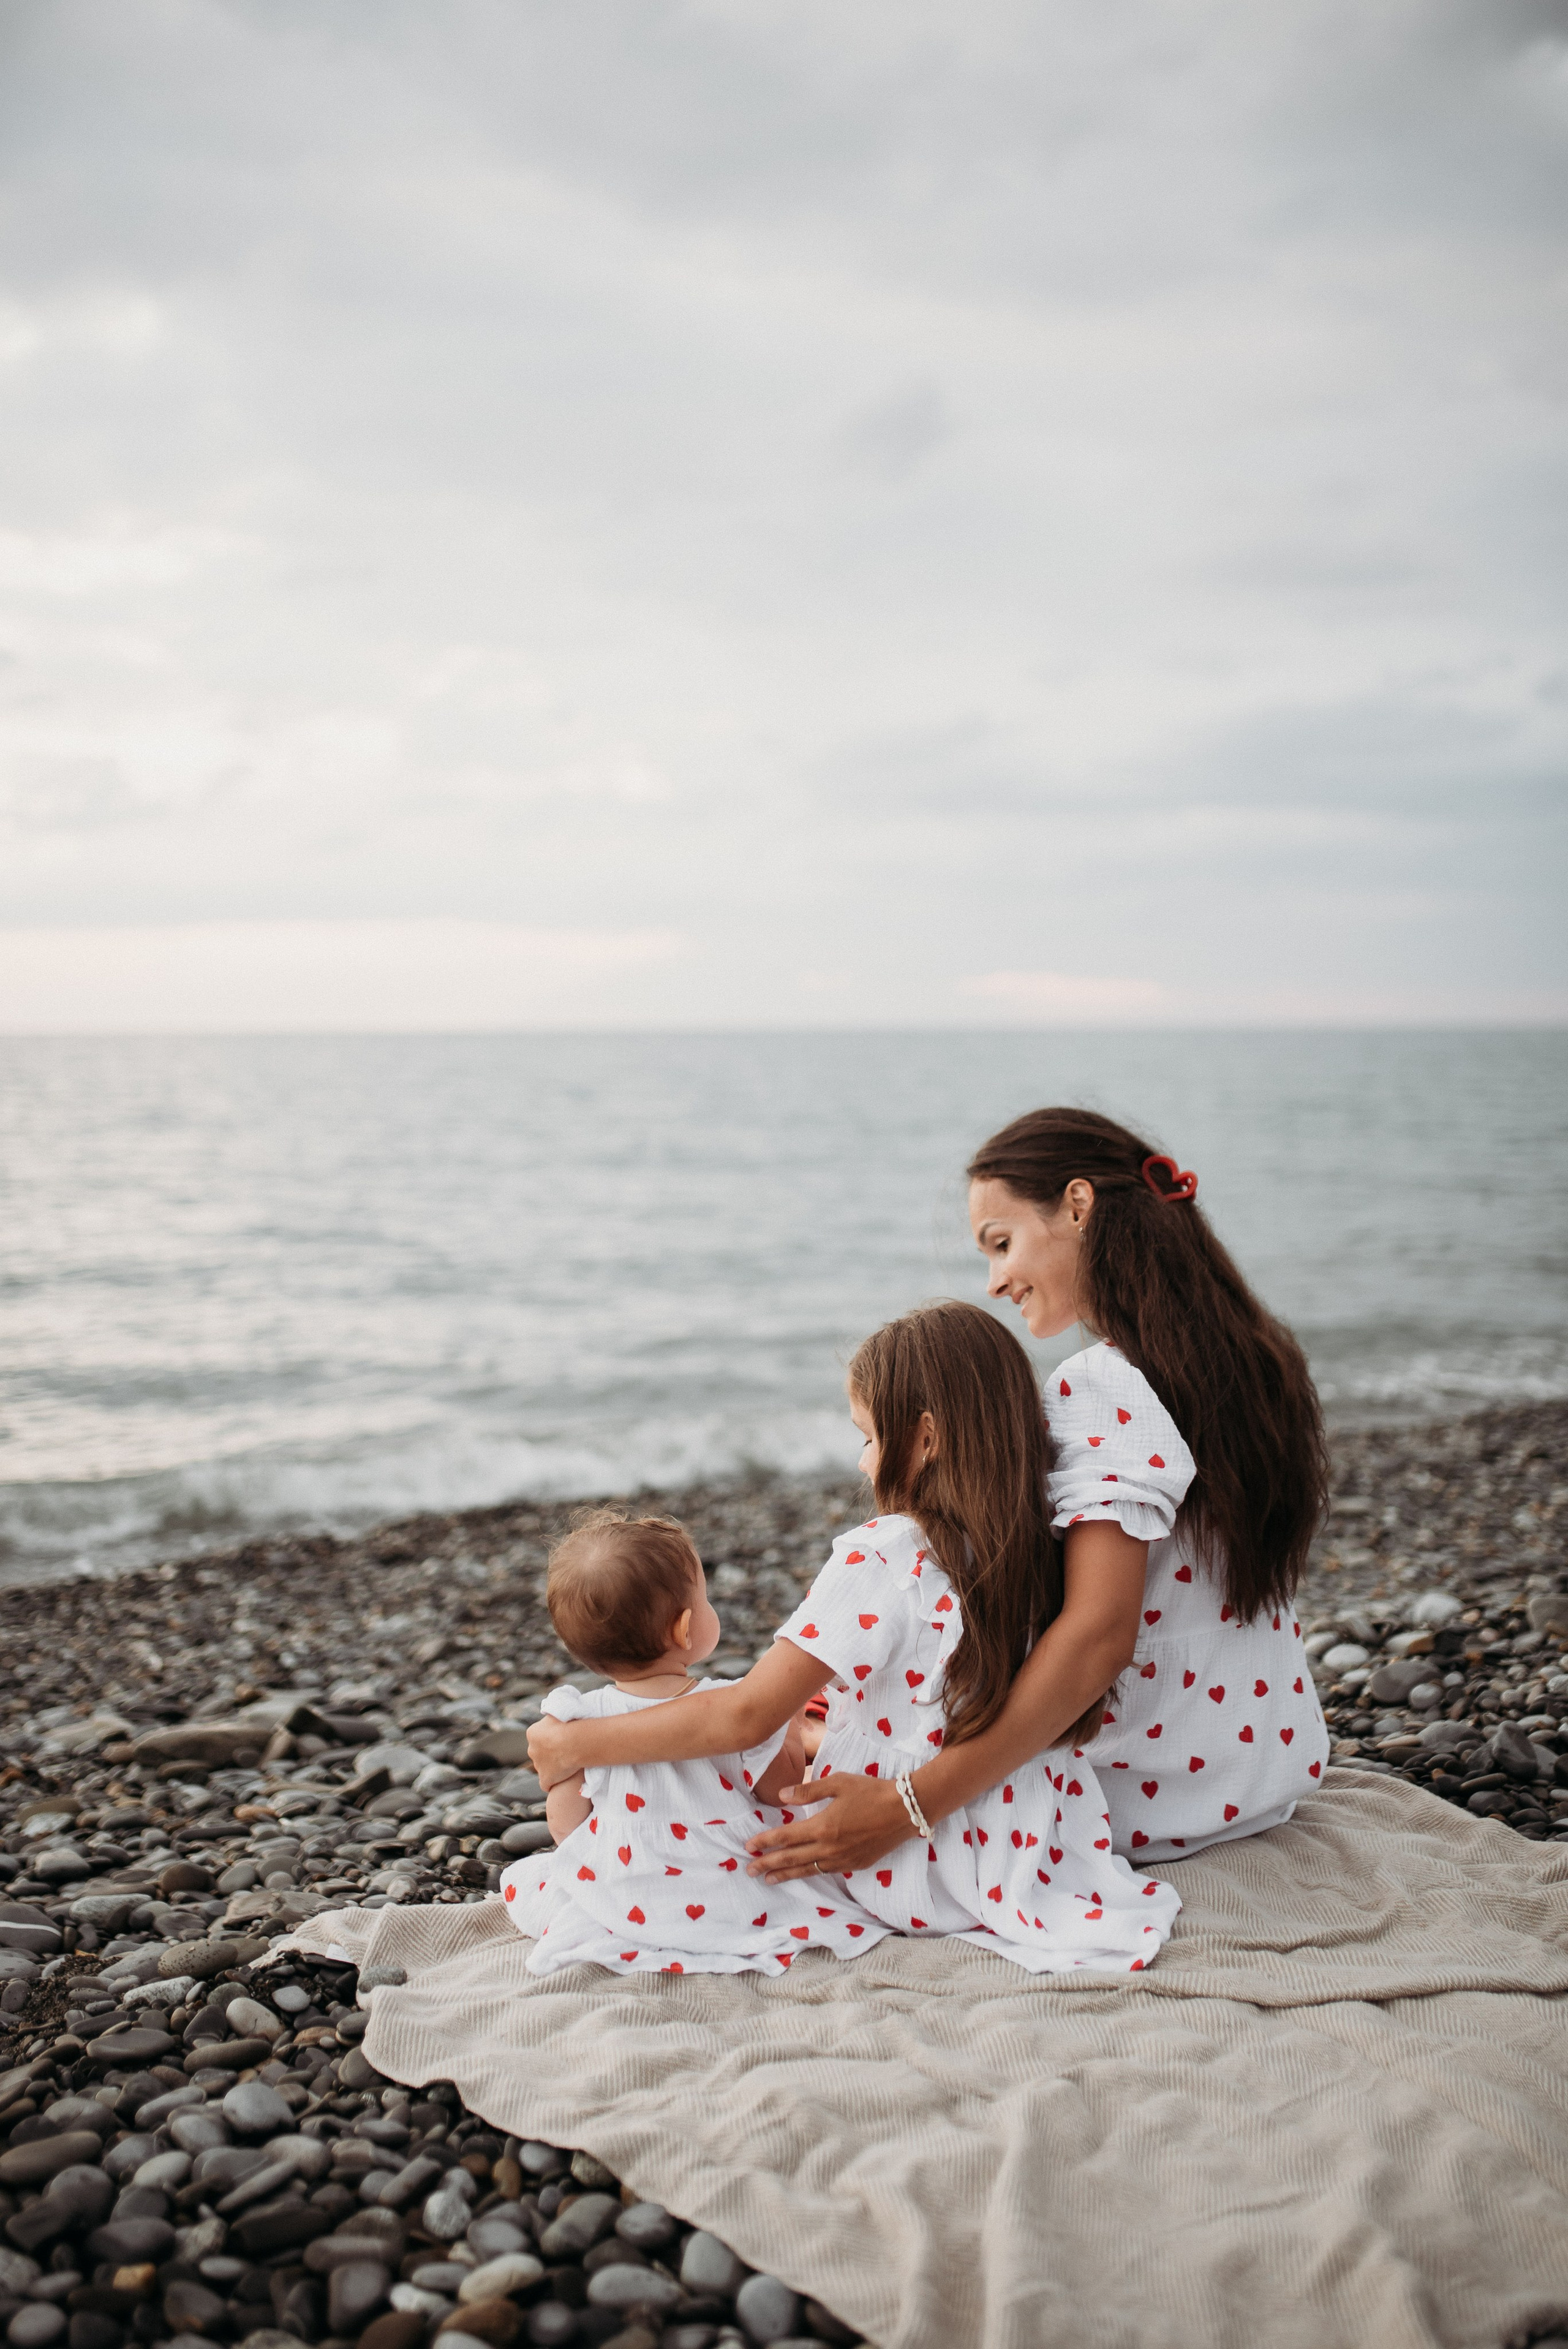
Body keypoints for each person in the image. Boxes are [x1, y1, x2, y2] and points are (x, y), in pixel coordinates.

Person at [747, 1107, 1331, 1886]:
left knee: (779, 1748)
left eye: (1001, 1242)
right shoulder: (1254, 1359)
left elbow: (1098, 1637)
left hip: (1140, 1797)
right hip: (1259, 1768)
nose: (994, 1281)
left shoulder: (1101, 1385)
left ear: (1078, 1206)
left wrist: (909, 1805)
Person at [528, 1305, 1183, 1977]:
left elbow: (745, 1715)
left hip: (909, 1860)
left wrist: (574, 1744)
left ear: (924, 1438)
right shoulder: (1043, 1542)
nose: (864, 1461)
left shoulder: (885, 1555)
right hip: (1039, 1845)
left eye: (868, 1437)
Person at [499, 1510, 888, 1976]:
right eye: (705, 1599)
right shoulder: (730, 1706)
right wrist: (789, 1723)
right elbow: (779, 1791)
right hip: (729, 1881)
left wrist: (605, 1855)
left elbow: (566, 1825)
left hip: (629, 1890)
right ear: (684, 1629)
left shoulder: (579, 1717)